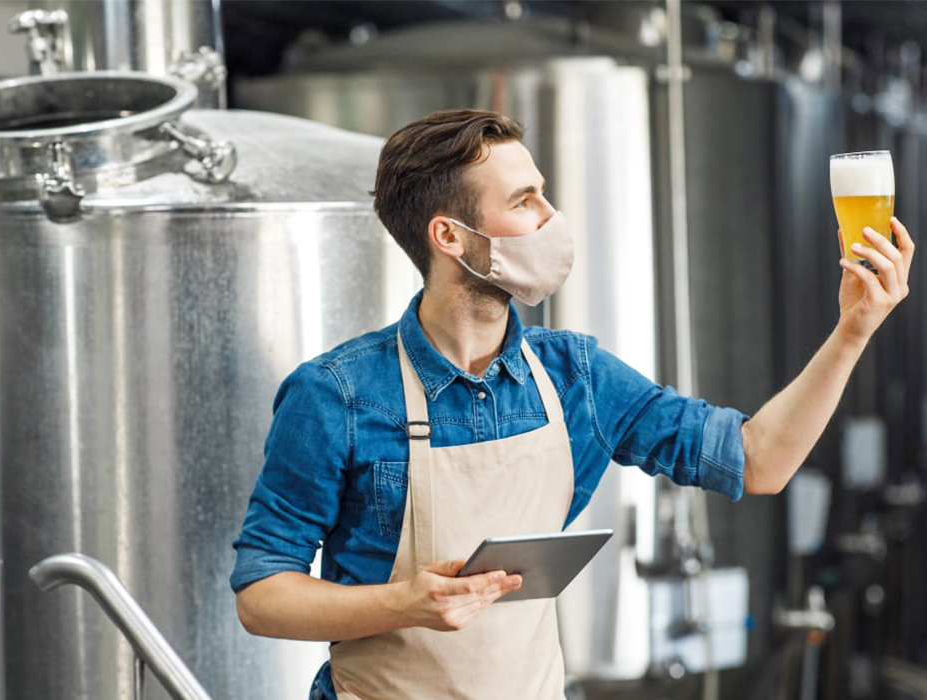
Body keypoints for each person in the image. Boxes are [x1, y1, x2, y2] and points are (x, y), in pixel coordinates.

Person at [230, 109, 915, 700]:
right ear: (450, 237)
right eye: (525, 200)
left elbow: (758, 461)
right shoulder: (338, 393)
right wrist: (401, 603)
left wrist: (853, 331)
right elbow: (262, 597)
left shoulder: (575, 376)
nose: (550, 220)